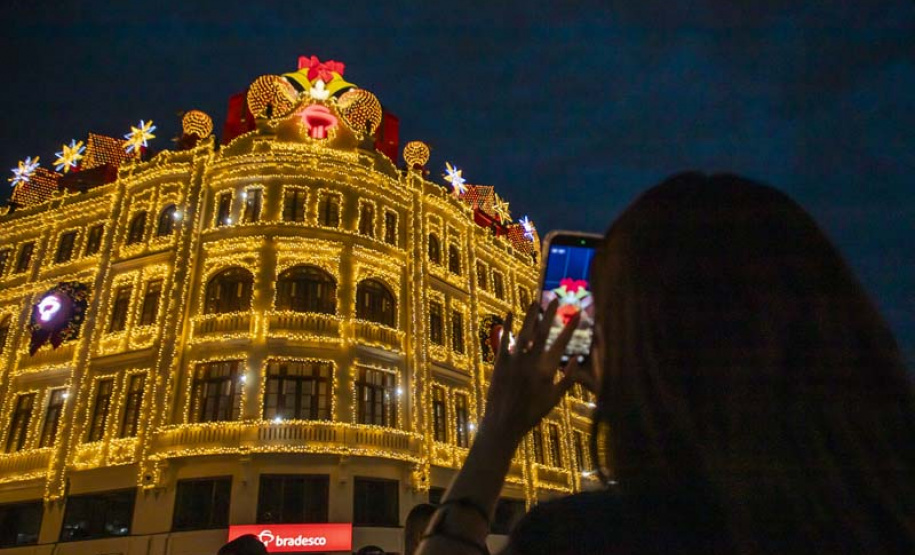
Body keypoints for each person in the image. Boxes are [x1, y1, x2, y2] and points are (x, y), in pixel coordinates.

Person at [417, 173, 915, 554]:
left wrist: (498, 433)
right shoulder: (879, 512)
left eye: (608, 315)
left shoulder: (590, 539)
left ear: (648, 347)